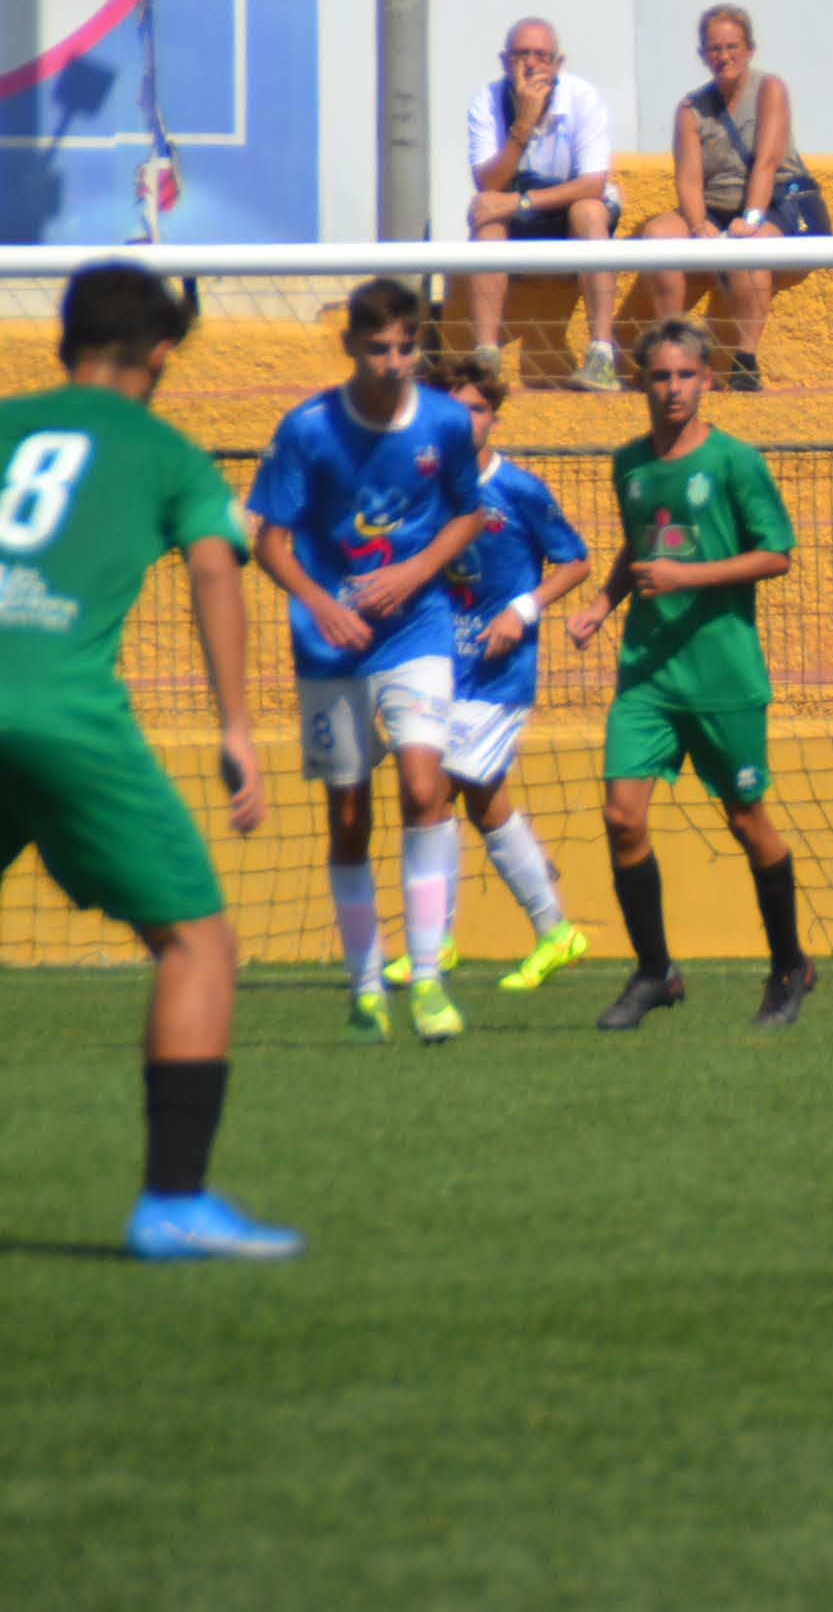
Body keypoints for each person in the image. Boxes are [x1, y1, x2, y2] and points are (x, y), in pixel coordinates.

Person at [0, 267, 300, 1260]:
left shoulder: (7, 425)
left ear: (64, 339)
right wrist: (236, 725)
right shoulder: (167, 453)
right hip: (64, 717)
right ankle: (174, 1202)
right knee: (197, 943)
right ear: (163, 352)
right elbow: (217, 563)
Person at [249, 278, 486, 1046]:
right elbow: (270, 542)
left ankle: (426, 982)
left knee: (426, 786)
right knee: (348, 817)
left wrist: (416, 574)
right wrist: (321, 603)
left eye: (406, 347)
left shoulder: (446, 423)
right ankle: (363, 987)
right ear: (350, 345)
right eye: (378, 347)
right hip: (331, 642)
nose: (392, 361)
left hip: (417, 629)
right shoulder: (308, 430)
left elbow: (467, 515)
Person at [566, 319, 815, 1030]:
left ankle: (790, 965)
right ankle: (654, 972)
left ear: (707, 380)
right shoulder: (629, 465)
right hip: (648, 672)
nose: (672, 388)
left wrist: (690, 576)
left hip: (723, 673)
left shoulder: (736, 462)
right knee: (621, 815)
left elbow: (777, 554)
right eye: (660, 375)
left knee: (747, 822)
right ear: (641, 380)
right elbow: (639, 548)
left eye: (685, 375)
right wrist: (600, 605)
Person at [409, 355, 598, 995]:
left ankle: (437, 945)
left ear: (494, 418)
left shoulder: (518, 490)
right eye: (454, 410)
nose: (467, 422)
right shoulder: (424, 487)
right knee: (484, 802)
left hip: (498, 675)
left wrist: (523, 608)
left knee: (432, 794)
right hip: (439, 668)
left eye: (479, 410)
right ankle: (554, 932)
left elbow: (574, 561)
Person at [635, 3, 825, 394]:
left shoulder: (769, 89)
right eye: (716, 49)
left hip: (773, 201)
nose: (725, 56)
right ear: (704, 55)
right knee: (656, 236)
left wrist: (752, 217)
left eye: (733, 47)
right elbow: (688, 179)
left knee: (748, 251)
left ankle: (745, 360)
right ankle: (674, 348)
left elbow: (768, 161)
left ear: (750, 50)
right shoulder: (691, 109)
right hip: (716, 206)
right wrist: (697, 223)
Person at [463, 17, 627, 391]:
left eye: (541, 56)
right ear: (505, 61)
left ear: (557, 63)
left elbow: (592, 184)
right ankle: (486, 356)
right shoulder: (486, 102)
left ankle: (602, 355)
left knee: (589, 211)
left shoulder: (583, 98)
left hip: (571, 207)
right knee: (487, 217)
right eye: (522, 55)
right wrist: (523, 124)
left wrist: (518, 202)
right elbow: (487, 184)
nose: (532, 64)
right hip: (518, 210)